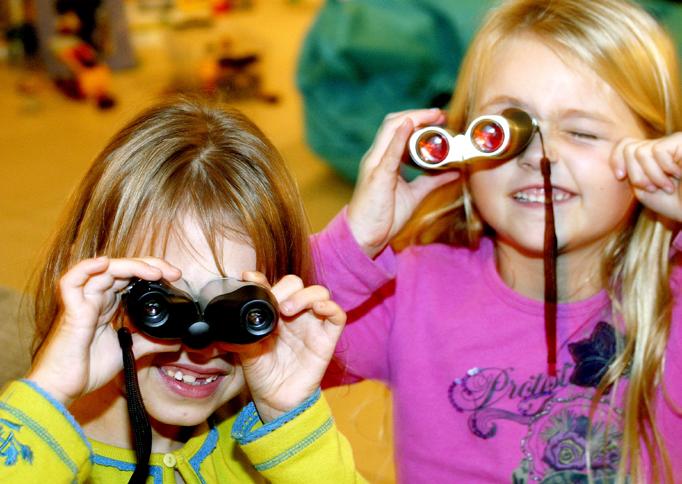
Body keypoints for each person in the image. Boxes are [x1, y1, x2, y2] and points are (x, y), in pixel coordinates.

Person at [312, 0, 682, 481]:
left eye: (582, 131)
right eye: (505, 129)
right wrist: (354, 243)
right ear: (462, 149)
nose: (539, 156)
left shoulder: (669, 298)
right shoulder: (409, 291)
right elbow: (260, 348)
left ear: (654, 152)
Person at [0, 97, 364, 482]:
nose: (199, 341)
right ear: (94, 290)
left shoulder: (269, 452)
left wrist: (293, 427)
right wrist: (51, 390)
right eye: (160, 303)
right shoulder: (34, 452)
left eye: (234, 308)